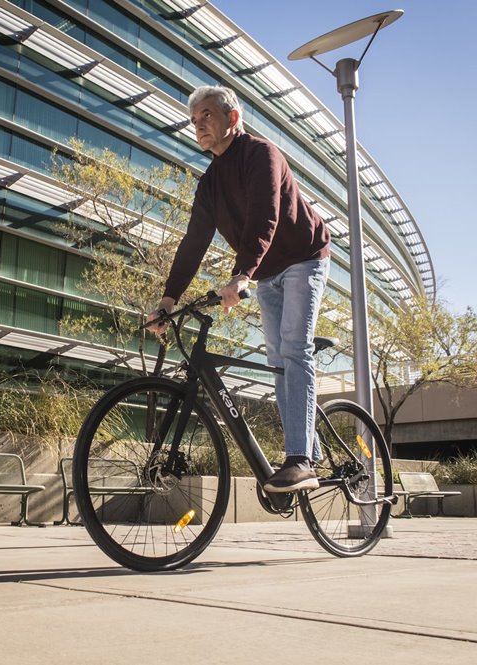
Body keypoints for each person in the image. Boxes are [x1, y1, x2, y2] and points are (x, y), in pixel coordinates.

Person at [146, 85, 331, 493]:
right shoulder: (209, 183)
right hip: (266, 272)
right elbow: (194, 241)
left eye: (207, 116)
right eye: (194, 121)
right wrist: (167, 300)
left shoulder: (261, 154)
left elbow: (266, 215)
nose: (199, 126)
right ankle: (310, 453)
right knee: (277, 359)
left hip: (305, 257)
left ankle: (300, 460)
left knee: (294, 347)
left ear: (232, 117)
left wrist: (242, 273)